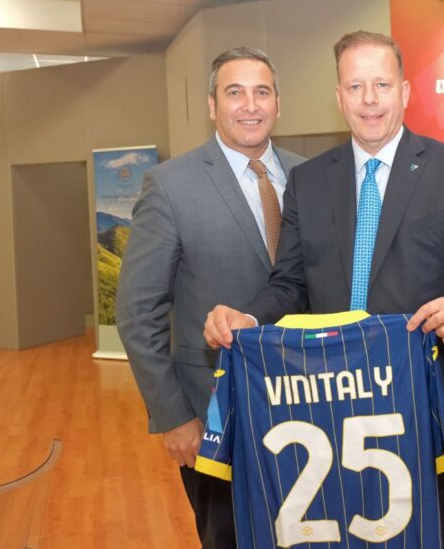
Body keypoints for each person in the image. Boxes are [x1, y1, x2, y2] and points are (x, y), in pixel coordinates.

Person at [203, 31, 444, 549]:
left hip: (433, 413)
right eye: (356, 86)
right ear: (338, 97)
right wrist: (249, 318)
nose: (369, 99)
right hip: (329, 412)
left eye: (382, 84)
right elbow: (290, 283)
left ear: (405, 92)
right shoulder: (310, 181)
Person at [115, 47, 304, 549]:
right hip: (212, 412)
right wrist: (174, 416)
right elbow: (137, 314)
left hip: (310, 407)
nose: (249, 105)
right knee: (229, 537)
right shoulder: (171, 185)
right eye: (234, 92)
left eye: (261, 92)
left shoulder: (310, 177)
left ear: (278, 104)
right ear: (211, 104)